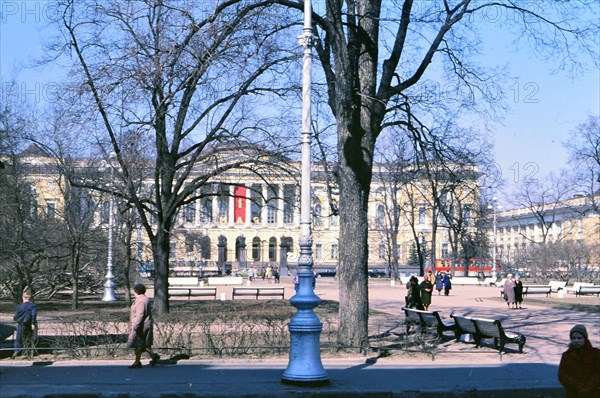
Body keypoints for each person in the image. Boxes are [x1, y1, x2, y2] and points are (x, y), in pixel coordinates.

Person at [558, 324, 600, 398]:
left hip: (593, 393)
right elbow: (562, 374)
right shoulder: (566, 356)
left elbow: (598, 373)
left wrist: (588, 387)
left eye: (579, 338)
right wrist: (576, 385)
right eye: (573, 338)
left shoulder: (595, 353)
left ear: (585, 338)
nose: (576, 340)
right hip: (573, 393)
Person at [127, 283, 159, 369]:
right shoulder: (144, 299)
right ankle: (153, 356)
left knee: (137, 344)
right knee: (144, 344)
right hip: (144, 324)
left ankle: (137, 362)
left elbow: (140, 315)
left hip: (141, 326)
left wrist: (135, 326)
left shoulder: (141, 301)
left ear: (136, 291)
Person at [13, 291, 37, 357]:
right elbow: (33, 315)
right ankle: (29, 352)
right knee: (30, 338)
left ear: (23, 297)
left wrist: (17, 320)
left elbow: (15, 317)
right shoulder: (32, 306)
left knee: (18, 339)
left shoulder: (19, 306)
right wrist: (33, 323)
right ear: (30, 298)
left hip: (21, 324)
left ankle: (16, 352)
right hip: (29, 324)